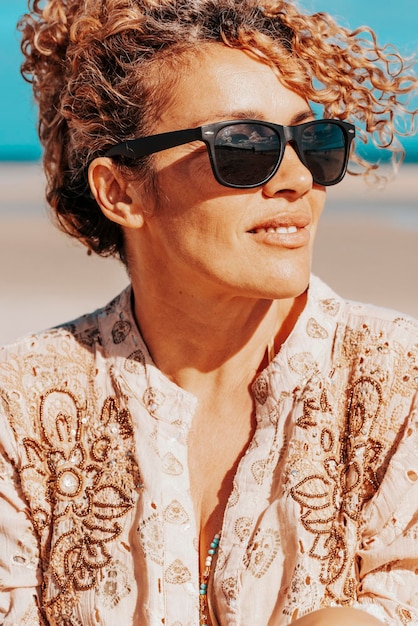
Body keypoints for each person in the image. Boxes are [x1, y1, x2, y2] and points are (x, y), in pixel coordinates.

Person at [0, 0, 417, 624]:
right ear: (121, 190)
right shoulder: (20, 404)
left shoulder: (397, 379)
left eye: (313, 140)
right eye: (245, 147)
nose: (297, 178)